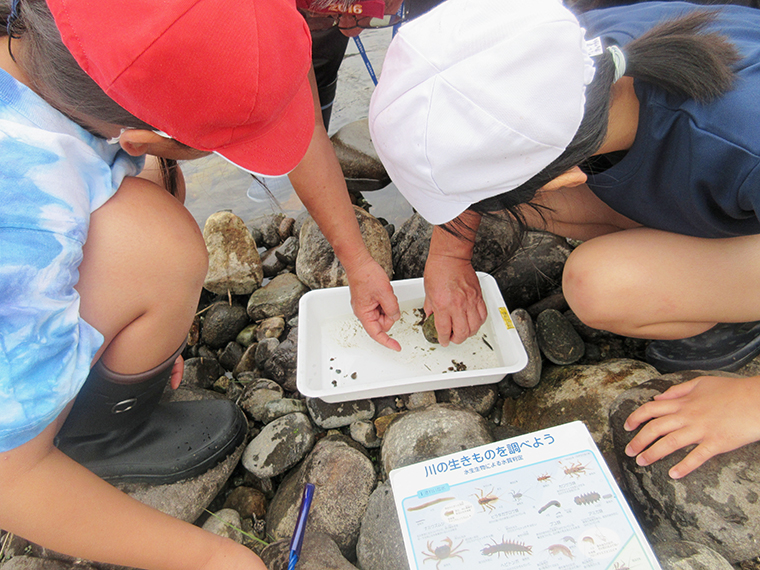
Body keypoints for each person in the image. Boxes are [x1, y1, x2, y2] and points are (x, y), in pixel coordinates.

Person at [368, 0, 760, 478]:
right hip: (719, 187)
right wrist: (450, 255)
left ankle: (737, 317)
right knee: (539, 221)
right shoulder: (559, 54)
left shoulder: (741, 135)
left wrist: (749, 401)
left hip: (740, 184)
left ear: (568, 174)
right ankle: (699, 265)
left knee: (599, 286)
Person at [0, 0, 316, 568]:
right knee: (160, 242)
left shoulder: (35, 42)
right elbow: (5, 478)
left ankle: (92, 397)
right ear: (141, 136)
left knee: (159, 212)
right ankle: (93, 444)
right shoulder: (24, 218)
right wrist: (215, 560)